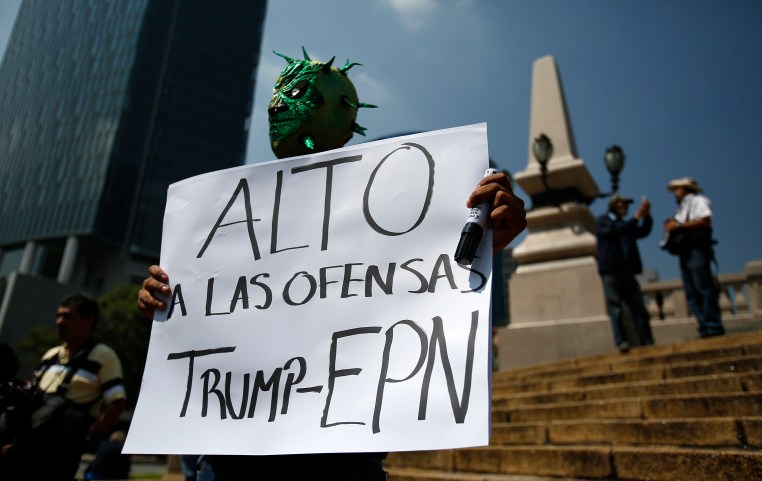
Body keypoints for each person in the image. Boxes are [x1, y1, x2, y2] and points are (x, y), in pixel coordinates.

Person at [136, 49, 528, 481]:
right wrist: (163, 298)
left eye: (299, 92)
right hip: (227, 460)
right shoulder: (223, 219)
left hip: (340, 462)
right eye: (279, 91)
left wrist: (487, 247)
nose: (279, 104)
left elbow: (409, 291)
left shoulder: (386, 208)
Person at [1, 293, 127, 481]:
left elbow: (117, 403)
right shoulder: (51, 354)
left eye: (67, 316)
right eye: (58, 316)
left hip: (59, 456)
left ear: (88, 321)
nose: (59, 322)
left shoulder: (103, 355)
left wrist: (88, 436)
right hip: (24, 447)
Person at [663, 177, 725, 338]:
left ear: (685, 189)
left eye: (677, 189)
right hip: (685, 251)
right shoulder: (681, 209)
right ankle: (704, 326)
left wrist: (678, 226)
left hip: (697, 249)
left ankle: (712, 325)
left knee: (703, 287)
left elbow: (705, 221)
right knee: (691, 291)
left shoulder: (699, 201)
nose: (675, 193)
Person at [596, 194, 655, 353]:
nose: (627, 207)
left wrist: (646, 216)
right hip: (610, 269)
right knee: (615, 307)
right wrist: (636, 218)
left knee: (638, 306)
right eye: (624, 203)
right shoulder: (603, 220)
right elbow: (614, 231)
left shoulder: (625, 224)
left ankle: (647, 340)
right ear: (614, 205)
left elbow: (642, 231)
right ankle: (621, 341)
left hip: (626, 269)